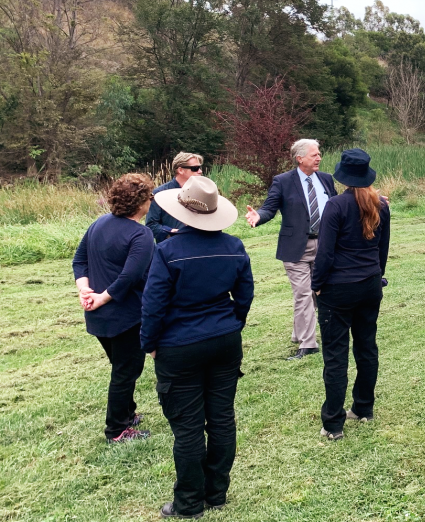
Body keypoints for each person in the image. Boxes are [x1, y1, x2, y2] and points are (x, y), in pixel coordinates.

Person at [141, 176, 254, 519]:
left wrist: (150, 344)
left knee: (188, 427)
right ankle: (216, 492)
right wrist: (232, 322)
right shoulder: (233, 247)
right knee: (221, 418)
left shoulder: (167, 252)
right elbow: (245, 294)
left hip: (179, 346)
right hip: (224, 341)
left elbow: (153, 304)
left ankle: (189, 502)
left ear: (181, 212)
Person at [311, 148, 390, 441]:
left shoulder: (335, 206)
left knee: (335, 355)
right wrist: (375, 276)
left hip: (338, 289)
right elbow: (383, 250)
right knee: (367, 346)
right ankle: (364, 408)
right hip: (370, 284)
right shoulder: (381, 205)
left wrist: (316, 285)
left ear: (343, 176)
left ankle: (333, 423)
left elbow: (325, 254)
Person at [72, 173, 155, 442]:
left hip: (98, 316)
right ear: (140, 202)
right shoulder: (141, 234)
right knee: (126, 371)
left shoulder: (99, 223)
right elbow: (129, 277)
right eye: (149, 197)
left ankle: (128, 413)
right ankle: (118, 430)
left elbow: (79, 261)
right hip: (125, 316)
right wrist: (98, 296)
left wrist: (85, 290)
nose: (151, 201)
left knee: (121, 366)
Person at [245, 139, 337, 360]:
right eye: (314, 155)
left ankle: (300, 333)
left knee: (320, 293)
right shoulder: (283, 181)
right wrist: (258, 216)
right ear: (300, 158)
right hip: (296, 248)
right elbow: (269, 208)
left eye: (319, 154)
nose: (319, 158)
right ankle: (308, 343)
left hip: (324, 245)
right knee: (303, 293)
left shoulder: (325, 179)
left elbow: (337, 206)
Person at [145, 152, 203, 243]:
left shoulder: (203, 192)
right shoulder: (159, 194)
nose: (200, 171)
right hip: (170, 250)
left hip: (197, 246)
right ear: (180, 170)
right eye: (195, 168)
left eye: (200, 167)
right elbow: (151, 225)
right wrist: (171, 232)